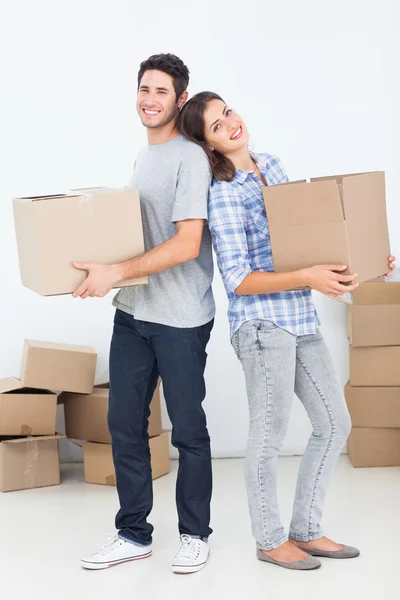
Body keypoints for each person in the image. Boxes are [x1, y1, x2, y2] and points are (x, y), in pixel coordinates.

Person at [177, 91, 396, 570]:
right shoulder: (225, 193)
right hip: (261, 326)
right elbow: (236, 278)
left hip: (300, 316)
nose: (231, 124)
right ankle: (270, 539)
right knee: (269, 434)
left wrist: (360, 258)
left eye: (228, 112)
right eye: (216, 126)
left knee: (335, 423)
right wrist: (309, 277)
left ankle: (307, 530)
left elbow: (305, 239)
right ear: (209, 146)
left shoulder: (271, 164)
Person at [73, 56, 215, 574]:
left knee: (188, 431)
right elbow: (137, 233)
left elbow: (186, 243)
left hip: (179, 318)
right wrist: (100, 269)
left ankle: (195, 534)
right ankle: (133, 533)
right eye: (143, 89)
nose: (149, 99)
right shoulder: (143, 154)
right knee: (123, 424)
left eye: (160, 91)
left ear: (180, 99)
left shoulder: (190, 159)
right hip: (133, 312)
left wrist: (118, 270)